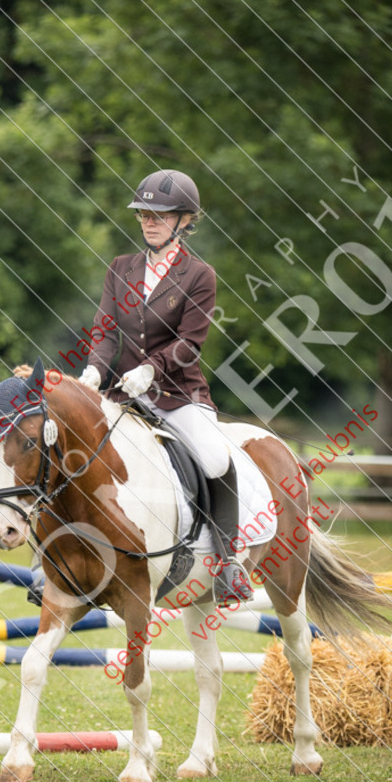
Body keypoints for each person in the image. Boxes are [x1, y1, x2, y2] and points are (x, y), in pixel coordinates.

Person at [79, 168, 253, 606]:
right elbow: (105, 333)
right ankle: (57, 557)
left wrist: (152, 371)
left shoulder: (200, 275)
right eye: (143, 214)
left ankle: (229, 563)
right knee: (70, 446)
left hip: (178, 396)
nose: (149, 221)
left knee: (215, 458)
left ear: (184, 220)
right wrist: (95, 373)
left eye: (160, 214)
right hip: (122, 394)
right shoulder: (121, 268)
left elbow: (190, 343)